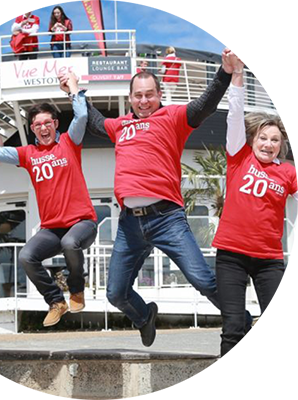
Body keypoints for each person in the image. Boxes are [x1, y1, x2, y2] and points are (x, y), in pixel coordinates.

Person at [86, 48, 245, 347]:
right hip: (129, 225)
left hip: (166, 219)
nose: (144, 101)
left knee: (204, 280)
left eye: (149, 95)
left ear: (159, 94)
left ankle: (244, 322)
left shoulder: (172, 117)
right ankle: (144, 316)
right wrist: (74, 92)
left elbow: (204, 105)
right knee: (116, 293)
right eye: (138, 96)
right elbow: (95, 121)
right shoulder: (120, 126)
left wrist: (224, 72)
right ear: (130, 98)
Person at [0, 73, 97, 327]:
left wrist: (73, 87)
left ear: (55, 124)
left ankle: (76, 289)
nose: (43, 128)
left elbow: (82, 116)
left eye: (47, 122)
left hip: (82, 222)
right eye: (37, 124)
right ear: (32, 129)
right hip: (52, 228)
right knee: (27, 256)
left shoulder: (69, 142)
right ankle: (56, 301)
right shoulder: (28, 154)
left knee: (70, 242)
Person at [212, 62, 298, 400]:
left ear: (280, 145)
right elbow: (234, 116)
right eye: (263, 137)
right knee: (233, 326)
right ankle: (232, 385)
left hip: (268, 260)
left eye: (275, 140)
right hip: (231, 256)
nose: (268, 144)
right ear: (253, 139)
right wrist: (236, 79)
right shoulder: (239, 157)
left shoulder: (288, 173)